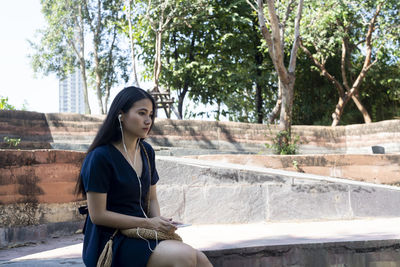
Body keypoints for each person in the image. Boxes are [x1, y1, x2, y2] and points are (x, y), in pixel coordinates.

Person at [75, 86, 212, 267]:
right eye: (141, 113)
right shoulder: (100, 157)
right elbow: (98, 215)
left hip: (142, 234)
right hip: (111, 239)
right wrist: (149, 224)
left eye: (151, 114)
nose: (148, 120)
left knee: (200, 258)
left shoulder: (146, 152)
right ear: (121, 115)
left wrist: (160, 227)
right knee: (183, 256)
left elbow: (152, 198)